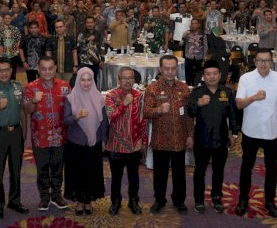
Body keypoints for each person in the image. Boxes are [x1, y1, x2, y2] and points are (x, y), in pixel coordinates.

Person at [234, 48, 277, 218]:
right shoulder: (246, 78)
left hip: (272, 133)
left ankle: (270, 201)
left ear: (272, 62)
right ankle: (243, 200)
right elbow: (239, 105)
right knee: (246, 167)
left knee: (272, 169)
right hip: (250, 132)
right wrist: (253, 97)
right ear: (254, 61)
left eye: (267, 60)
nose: (263, 64)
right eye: (260, 60)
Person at [143, 55, 193, 215]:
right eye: (166, 68)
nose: (170, 72)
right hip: (160, 139)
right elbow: (146, 112)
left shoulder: (184, 89)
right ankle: (159, 200)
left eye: (173, 68)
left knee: (179, 173)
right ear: (160, 69)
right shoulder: (152, 88)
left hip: (179, 138)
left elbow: (189, 116)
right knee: (160, 173)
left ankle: (179, 200)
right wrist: (158, 110)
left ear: (177, 68)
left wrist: (190, 135)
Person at [186, 60, 238, 214]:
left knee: (218, 171)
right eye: (208, 74)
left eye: (215, 73)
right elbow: (189, 112)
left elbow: (234, 115)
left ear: (220, 75)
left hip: (221, 140)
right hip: (201, 139)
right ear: (204, 76)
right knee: (200, 171)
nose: (212, 77)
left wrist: (234, 133)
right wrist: (198, 103)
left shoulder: (227, 92)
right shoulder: (197, 92)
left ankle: (217, 198)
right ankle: (199, 200)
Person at [0, 57, 29, 219]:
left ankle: (15, 201)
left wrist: (25, 131)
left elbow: (23, 110)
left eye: (6, 70)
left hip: (16, 133)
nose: (3, 73)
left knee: (16, 170)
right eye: (0, 70)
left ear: (11, 70)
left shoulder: (18, 86)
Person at [23, 57, 71, 211]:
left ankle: (57, 195)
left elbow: (71, 111)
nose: (47, 71)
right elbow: (27, 111)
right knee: (42, 168)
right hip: (40, 137)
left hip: (60, 136)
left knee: (58, 167)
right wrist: (33, 101)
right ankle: (44, 197)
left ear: (55, 68)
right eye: (44, 68)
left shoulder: (65, 86)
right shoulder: (31, 87)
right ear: (38, 69)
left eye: (50, 68)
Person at [63, 68, 108, 215]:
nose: (86, 83)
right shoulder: (71, 98)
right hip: (76, 142)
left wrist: (103, 140)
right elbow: (66, 120)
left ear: (93, 81)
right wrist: (77, 116)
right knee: (77, 172)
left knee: (91, 171)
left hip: (94, 142)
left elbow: (103, 122)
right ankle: (79, 201)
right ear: (78, 80)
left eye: (89, 80)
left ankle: (88, 200)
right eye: (83, 79)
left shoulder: (99, 98)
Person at [104, 67, 146, 215]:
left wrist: (144, 141)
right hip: (116, 144)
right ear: (119, 80)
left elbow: (142, 120)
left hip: (134, 144)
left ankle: (133, 200)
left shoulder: (140, 96)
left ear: (134, 80)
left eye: (130, 78)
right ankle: (116, 201)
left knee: (134, 175)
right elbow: (110, 117)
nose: (128, 81)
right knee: (116, 176)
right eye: (124, 78)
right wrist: (124, 104)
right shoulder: (111, 95)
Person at [76, 16, 104, 83]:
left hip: (95, 61)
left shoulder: (98, 33)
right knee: (84, 81)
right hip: (84, 62)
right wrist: (87, 39)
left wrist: (102, 60)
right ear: (85, 24)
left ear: (94, 23)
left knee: (94, 80)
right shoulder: (82, 33)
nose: (89, 24)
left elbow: (102, 47)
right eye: (88, 22)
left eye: (91, 22)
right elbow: (78, 45)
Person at [182, 19, 206, 86]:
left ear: (198, 25)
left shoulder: (203, 34)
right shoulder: (187, 33)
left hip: (199, 58)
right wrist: (184, 36)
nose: (194, 25)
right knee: (188, 76)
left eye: (195, 23)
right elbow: (180, 44)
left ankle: (197, 89)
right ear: (190, 25)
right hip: (189, 57)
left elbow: (206, 47)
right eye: (192, 23)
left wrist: (204, 59)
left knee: (199, 77)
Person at [0, 13, 22, 80]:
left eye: (9, 18)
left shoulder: (15, 29)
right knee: (3, 71)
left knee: (13, 71)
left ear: (11, 19)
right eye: (6, 18)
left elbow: (19, 39)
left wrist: (16, 49)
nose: (7, 20)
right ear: (3, 19)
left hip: (13, 54)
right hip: (3, 54)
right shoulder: (0, 30)